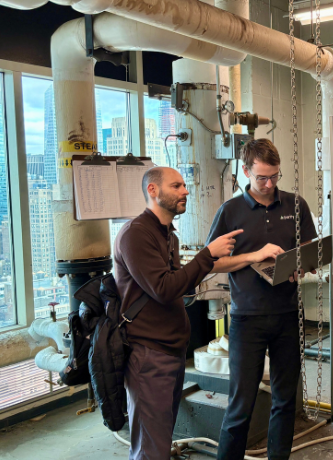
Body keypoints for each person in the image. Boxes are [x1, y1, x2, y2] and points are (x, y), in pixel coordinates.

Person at [114, 166, 245, 460]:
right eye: (176, 186)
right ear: (153, 191)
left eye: (185, 185)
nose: (185, 191)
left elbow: (181, 281)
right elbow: (163, 288)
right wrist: (207, 254)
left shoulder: (167, 235)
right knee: (151, 447)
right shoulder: (136, 234)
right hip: (149, 354)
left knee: (160, 437)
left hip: (170, 351)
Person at [209, 139, 318, 460]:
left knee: (285, 401)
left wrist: (303, 265)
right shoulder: (230, 211)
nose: (269, 185)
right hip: (247, 319)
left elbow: (312, 250)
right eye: (261, 178)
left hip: (288, 314)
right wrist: (255, 255)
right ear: (245, 171)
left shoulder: (296, 205)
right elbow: (211, 262)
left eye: (274, 177)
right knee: (240, 405)